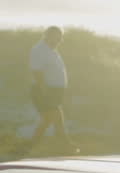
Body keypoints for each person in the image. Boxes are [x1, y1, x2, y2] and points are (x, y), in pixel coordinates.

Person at [19, 26, 78, 155]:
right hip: (45, 90)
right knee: (51, 118)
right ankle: (60, 143)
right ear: (47, 35)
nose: (59, 40)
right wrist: (44, 90)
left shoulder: (51, 50)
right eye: (56, 36)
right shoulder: (40, 50)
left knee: (54, 119)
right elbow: (37, 71)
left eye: (60, 37)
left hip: (53, 91)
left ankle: (59, 144)